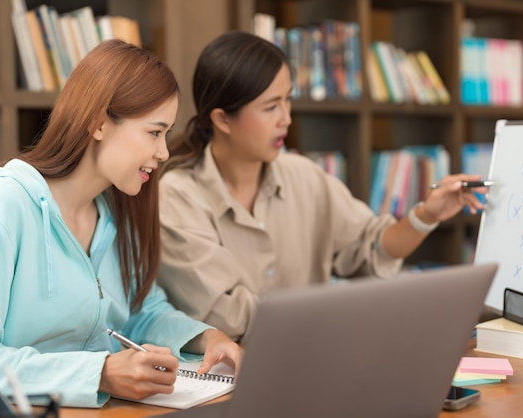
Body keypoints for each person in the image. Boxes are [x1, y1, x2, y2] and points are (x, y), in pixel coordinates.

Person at [0, 39, 242, 408]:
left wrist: (209, 339)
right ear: (98, 123)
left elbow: (143, 312)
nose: (164, 153)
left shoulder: (117, 214)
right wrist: (101, 372)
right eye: (154, 132)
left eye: (166, 134)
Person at [156, 31, 487, 343]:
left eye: (287, 101)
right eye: (270, 107)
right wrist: (337, 315)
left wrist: (428, 215)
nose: (286, 118)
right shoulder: (178, 196)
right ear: (222, 119)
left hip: (312, 357)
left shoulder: (303, 175)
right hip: (229, 373)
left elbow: (371, 247)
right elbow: (224, 316)